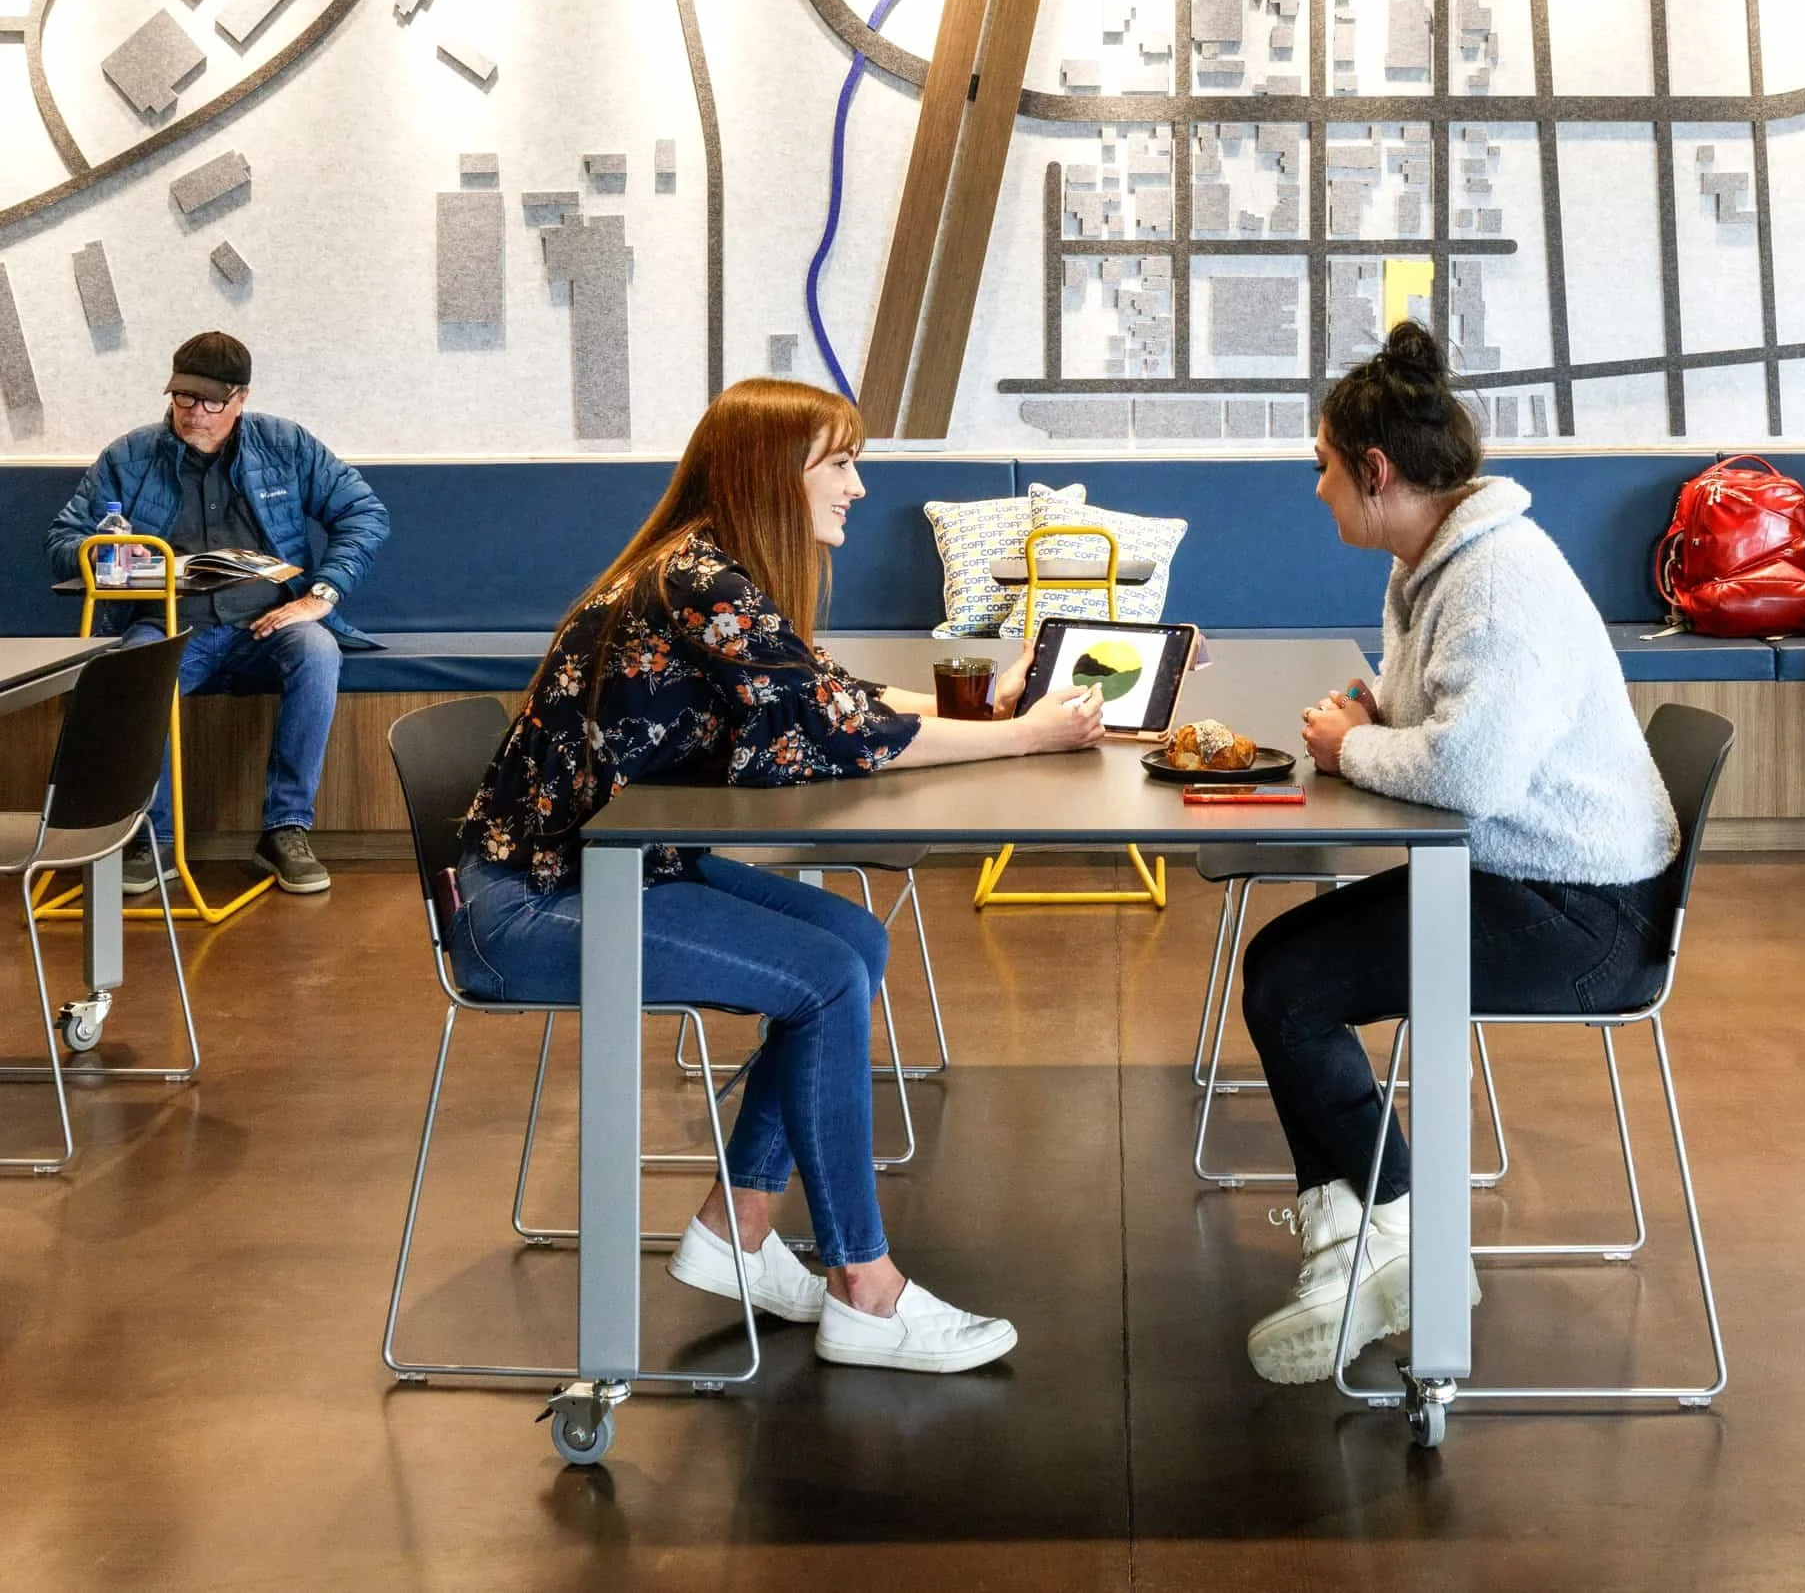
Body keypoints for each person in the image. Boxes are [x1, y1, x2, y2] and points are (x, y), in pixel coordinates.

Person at [453, 376, 1106, 1375]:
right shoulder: (696, 578)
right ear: (773, 474)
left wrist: (988, 722)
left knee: (855, 942)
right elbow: (826, 726)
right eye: (838, 463)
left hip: (611, 865)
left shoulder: (706, 568)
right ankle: (866, 1286)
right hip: (538, 905)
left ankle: (737, 1228)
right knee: (828, 976)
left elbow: (811, 691)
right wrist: (1022, 738)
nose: (855, 486)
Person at [1236, 322, 1682, 1387]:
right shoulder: (1438, 563)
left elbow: (1473, 771)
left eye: (1323, 467)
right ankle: (1354, 1243)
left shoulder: (1496, 581)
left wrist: (1357, 742)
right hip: (1526, 874)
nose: (1316, 489)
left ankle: (1397, 1228)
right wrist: (1374, 716)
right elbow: (1449, 716)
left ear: (1375, 470)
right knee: (1279, 970)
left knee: (1292, 985)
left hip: (1586, 916)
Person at [49, 331, 389, 898]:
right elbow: (64, 538)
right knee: (134, 667)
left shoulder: (286, 445)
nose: (194, 413)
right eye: (184, 397)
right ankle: (146, 838)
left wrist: (320, 596)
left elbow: (363, 511)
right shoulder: (129, 456)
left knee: (317, 650)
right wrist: (106, 552)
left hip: (269, 622)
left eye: (211, 401)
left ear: (240, 399)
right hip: (169, 624)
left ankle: (285, 831)